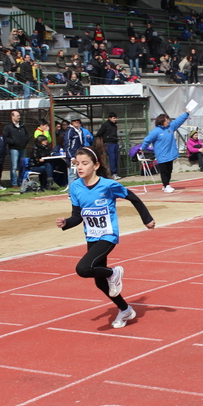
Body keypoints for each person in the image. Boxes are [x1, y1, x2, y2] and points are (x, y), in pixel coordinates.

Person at [56, 147, 155, 329]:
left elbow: (133, 197)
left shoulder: (108, 185)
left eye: (85, 163)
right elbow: (77, 216)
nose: (80, 167)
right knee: (100, 282)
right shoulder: (76, 187)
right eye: (77, 164)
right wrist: (66, 223)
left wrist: (146, 219)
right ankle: (125, 309)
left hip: (108, 235)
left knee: (83, 268)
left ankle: (114, 272)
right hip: (91, 236)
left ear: (96, 165)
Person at [141, 109, 190, 193]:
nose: (168, 121)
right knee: (164, 171)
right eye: (166, 120)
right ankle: (166, 185)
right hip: (162, 155)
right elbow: (147, 140)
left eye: (168, 119)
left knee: (169, 170)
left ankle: (166, 185)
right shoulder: (156, 131)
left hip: (170, 154)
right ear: (161, 121)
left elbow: (178, 120)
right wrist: (143, 148)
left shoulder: (171, 127)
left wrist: (186, 113)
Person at [3, 110, 29, 188]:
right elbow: (5, 137)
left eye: (19, 115)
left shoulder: (22, 125)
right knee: (14, 167)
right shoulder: (8, 127)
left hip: (22, 148)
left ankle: (21, 181)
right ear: (12, 116)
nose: (19, 117)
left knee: (22, 165)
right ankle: (14, 183)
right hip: (14, 149)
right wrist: (13, 141)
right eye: (17, 115)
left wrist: (25, 141)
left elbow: (27, 135)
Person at [95, 112, 121, 180]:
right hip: (109, 143)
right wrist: (103, 141)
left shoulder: (115, 126)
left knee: (116, 158)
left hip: (115, 142)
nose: (115, 119)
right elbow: (99, 133)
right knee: (112, 158)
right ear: (109, 118)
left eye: (115, 118)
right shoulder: (105, 125)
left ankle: (115, 173)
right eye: (113, 118)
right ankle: (112, 173)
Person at [64, 114, 86, 186]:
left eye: (78, 121)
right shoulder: (70, 131)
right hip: (72, 156)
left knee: (80, 174)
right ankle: (71, 193)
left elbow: (82, 143)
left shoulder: (80, 131)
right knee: (72, 175)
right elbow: (67, 146)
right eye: (75, 121)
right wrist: (71, 157)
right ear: (72, 122)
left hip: (79, 155)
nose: (77, 122)